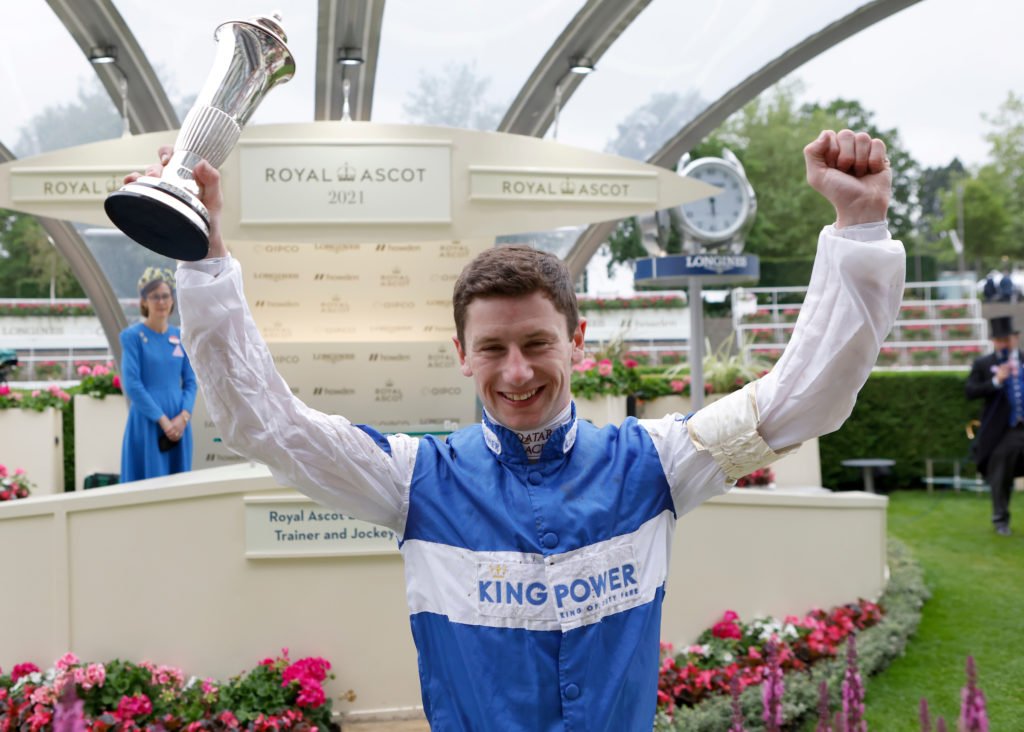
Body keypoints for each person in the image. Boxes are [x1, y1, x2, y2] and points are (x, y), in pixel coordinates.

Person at [128, 129, 904, 731]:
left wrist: (860, 230)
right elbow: (265, 422)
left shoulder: (657, 463)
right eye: (493, 349)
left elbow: (803, 398)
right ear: (461, 356)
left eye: (537, 344)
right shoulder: (413, 480)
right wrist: (205, 262)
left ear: (578, 340)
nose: (518, 372)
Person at [118, 267, 197, 482]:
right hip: (148, 421)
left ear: (172, 300)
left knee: (178, 486)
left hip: (179, 423)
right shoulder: (132, 337)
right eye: (154, 297)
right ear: (144, 301)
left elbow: (191, 382)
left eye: (165, 296)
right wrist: (163, 421)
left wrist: (183, 417)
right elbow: (133, 385)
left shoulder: (181, 337)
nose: (161, 302)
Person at [965, 315, 1024, 536]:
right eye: (1000, 340)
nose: (1004, 344)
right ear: (993, 341)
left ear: (1015, 338)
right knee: (1000, 472)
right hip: (1003, 431)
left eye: (1007, 339)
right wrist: (996, 381)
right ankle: (1001, 519)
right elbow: (970, 391)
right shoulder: (984, 364)